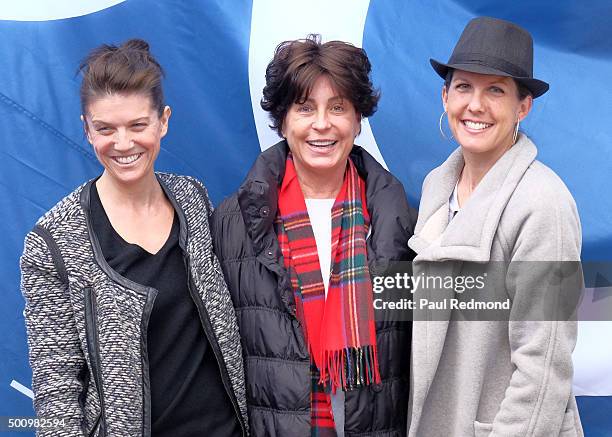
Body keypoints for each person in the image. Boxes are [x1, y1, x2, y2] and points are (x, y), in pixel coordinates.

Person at [20, 39, 247, 436]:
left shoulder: (193, 199)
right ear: (86, 130)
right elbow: (56, 391)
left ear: (163, 121)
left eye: (138, 125)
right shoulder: (52, 241)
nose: (123, 143)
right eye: (105, 128)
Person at [211, 35, 416, 436]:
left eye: (337, 108)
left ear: (357, 121)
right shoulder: (232, 223)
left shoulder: (402, 223)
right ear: (283, 120)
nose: (322, 124)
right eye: (305, 108)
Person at [407, 17, 583, 437]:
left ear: (523, 107)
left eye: (496, 91)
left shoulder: (544, 203)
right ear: (445, 96)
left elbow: (543, 369)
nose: (476, 105)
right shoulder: (437, 185)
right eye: (464, 86)